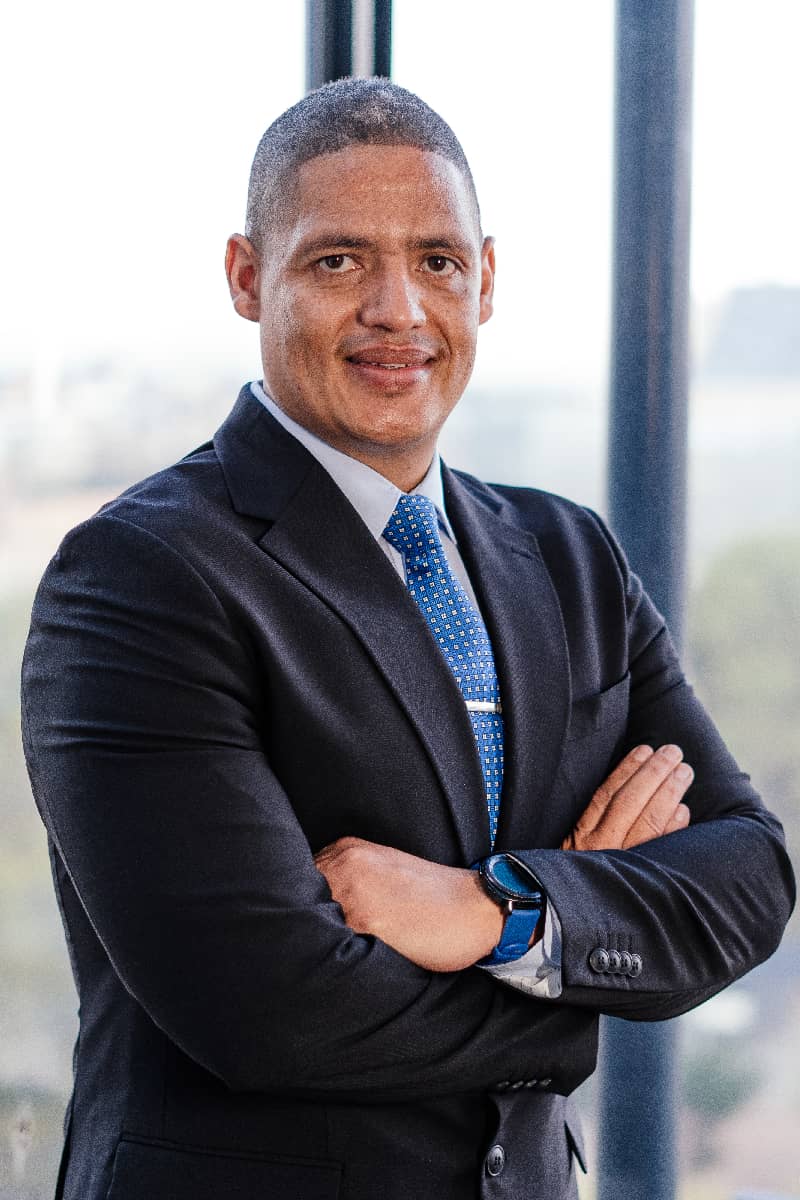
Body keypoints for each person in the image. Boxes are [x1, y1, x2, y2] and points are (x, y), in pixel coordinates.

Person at [21, 78, 794, 1200]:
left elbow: (750, 875)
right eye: (339, 261)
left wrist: (496, 913)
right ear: (247, 277)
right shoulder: (141, 575)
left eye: (436, 261)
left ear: (486, 279)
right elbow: (272, 1012)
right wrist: (580, 975)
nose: (398, 310)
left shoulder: (568, 555)